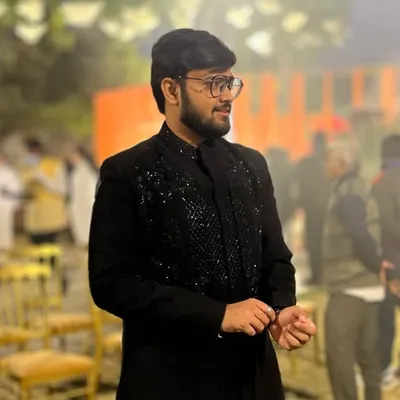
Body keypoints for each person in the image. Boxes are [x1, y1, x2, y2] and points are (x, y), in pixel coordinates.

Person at [89, 29, 316, 400]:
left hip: (253, 377)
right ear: (171, 89)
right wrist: (217, 314)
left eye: (230, 83)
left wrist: (280, 308)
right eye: (213, 83)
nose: (227, 95)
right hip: (170, 379)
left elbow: (274, 256)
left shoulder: (250, 165)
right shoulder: (129, 172)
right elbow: (112, 284)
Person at [322, 141, 383, 400]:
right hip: (369, 287)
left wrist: (376, 264)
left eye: (329, 160)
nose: (325, 166)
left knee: (340, 359)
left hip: (350, 286)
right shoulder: (360, 187)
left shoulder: (348, 192)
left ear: (342, 164)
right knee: (369, 358)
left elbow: (359, 233)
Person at [372, 134, 400, 385]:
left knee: (386, 319)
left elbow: (386, 226)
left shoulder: (382, 182)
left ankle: (383, 368)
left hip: (393, 261)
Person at [296, 132, 330, 285]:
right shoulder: (329, 162)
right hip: (329, 207)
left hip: (312, 208)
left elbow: (301, 186)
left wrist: (300, 204)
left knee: (313, 242)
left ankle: (317, 275)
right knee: (328, 242)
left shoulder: (305, 163)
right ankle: (327, 274)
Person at [21, 138, 68, 245]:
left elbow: (62, 189)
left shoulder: (54, 164)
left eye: (32, 151)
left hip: (51, 213)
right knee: (36, 245)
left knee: (50, 244)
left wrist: (44, 179)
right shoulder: (26, 166)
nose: (30, 154)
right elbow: (23, 185)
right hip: (34, 215)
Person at [67, 145, 98, 247]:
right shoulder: (78, 170)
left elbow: (89, 192)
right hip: (81, 207)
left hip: (85, 207)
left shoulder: (85, 170)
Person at [0, 152, 23, 256]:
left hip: (5, 205)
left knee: (4, 232)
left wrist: (7, 191)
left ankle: (3, 252)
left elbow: (17, 190)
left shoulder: (10, 173)